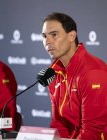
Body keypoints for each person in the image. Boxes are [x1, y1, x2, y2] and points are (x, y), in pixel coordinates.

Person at [41, 12, 107, 140]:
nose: (47, 41)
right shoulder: (53, 72)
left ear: (71, 36)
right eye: (44, 36)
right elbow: (58, 124)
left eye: (54, 35)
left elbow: (92, 132)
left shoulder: (92, 72)